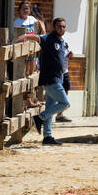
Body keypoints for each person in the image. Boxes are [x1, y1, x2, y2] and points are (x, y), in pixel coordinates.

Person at [37, 17, 71, 146]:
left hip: (58, 78)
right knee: (65, 103)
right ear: (54, 27)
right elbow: (37, 38)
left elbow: (61, 59)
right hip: (50, 79)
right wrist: (23, 38)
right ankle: (40, 117)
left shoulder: (62, 42)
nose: (61, 29)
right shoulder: (48, 38)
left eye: (63, 26)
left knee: (51, 107)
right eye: (59, 26)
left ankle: (47, 136)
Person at [13, 1, 46, 109]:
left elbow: (41, 30)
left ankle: (29, 99)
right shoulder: (17, 22)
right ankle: (24, 101)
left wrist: (41, 24)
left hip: (32, 50)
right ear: (19, 10)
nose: (25, 10)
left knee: (31, 74)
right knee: (23, 74)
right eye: (23, 8)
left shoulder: (33, 20)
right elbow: (18, 37)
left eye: (27, 8)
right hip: (22, 51)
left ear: (30, 10)